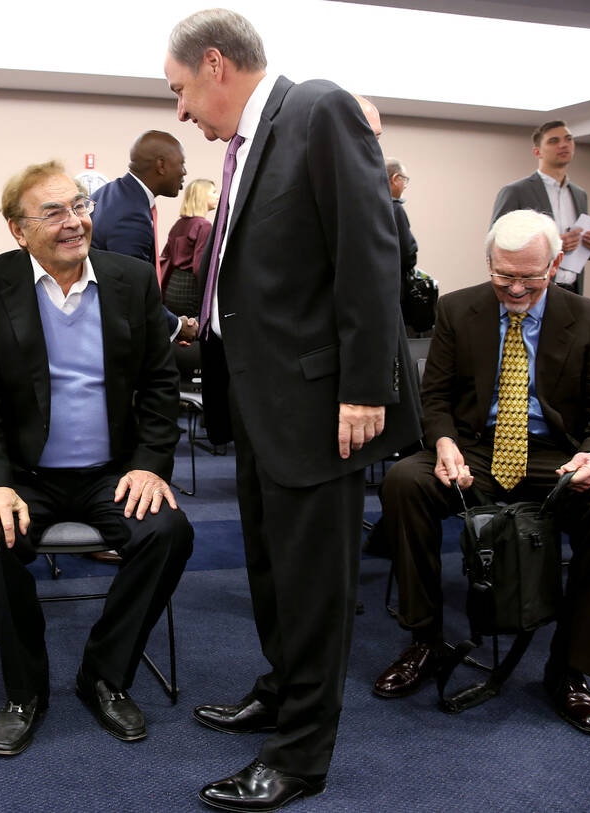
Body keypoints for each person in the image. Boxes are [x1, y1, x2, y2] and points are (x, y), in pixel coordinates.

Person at [164, 10, 420, 811]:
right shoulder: (250, 143)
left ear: (214, 66)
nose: (179, 112)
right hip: (262, 404)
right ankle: (281, 690)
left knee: (313, 585)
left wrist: (366, 385)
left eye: (178, 90)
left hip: (322, 403)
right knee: (273, 572)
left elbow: (369, 250)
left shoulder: (318, 108)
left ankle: (301, 754)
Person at [0, 160, 194, 758]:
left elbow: (160, 387)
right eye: (53, 212)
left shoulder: (132, 279)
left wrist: (148, 465)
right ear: (18, 229)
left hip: (109, 473)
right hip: (21, 475)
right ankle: (24, 692)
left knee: (168, 532)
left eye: (79, 207)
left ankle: (104, 676)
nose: (73, 222)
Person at [372, 209, 590, 736]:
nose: (515, 288)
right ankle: (425, 641)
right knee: (405, 481)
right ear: (489, 262)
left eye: (529, 276)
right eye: (503, 275)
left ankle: (568, 668)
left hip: (554, 454)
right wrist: (444, 441)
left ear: (556, 264)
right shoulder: (457, 309)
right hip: (475, 449)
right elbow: (436, 398)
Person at [91, 131, 197, 343]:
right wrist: (176, 327)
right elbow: (131, 292)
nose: (184, 172)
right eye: (182, 164)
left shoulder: (111, 193)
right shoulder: (130, 215)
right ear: (161, 165)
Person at [491, 121, 590, 294]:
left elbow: (578, 248)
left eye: (568, 139)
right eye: (553, 141)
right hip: (529, 289)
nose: (563, 145)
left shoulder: (580, 194)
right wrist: (552, 245)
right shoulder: (516, 191)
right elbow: (496, 243)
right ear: (537, 152)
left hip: (572, 289)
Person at [160, 178, 217, 317]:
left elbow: (166, 255)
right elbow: (199, 266)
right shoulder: (204, 226)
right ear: (202, 196)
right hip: (190, 287)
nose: (217, 196)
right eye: (213, 192)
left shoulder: (179, 223)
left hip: (172, 286)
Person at [387, 158, 418, 293]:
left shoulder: (370, 205)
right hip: (395, 286)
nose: (405, 185)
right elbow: (407, 253)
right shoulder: (395, 209)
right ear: (395, 178)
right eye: (404, 180)